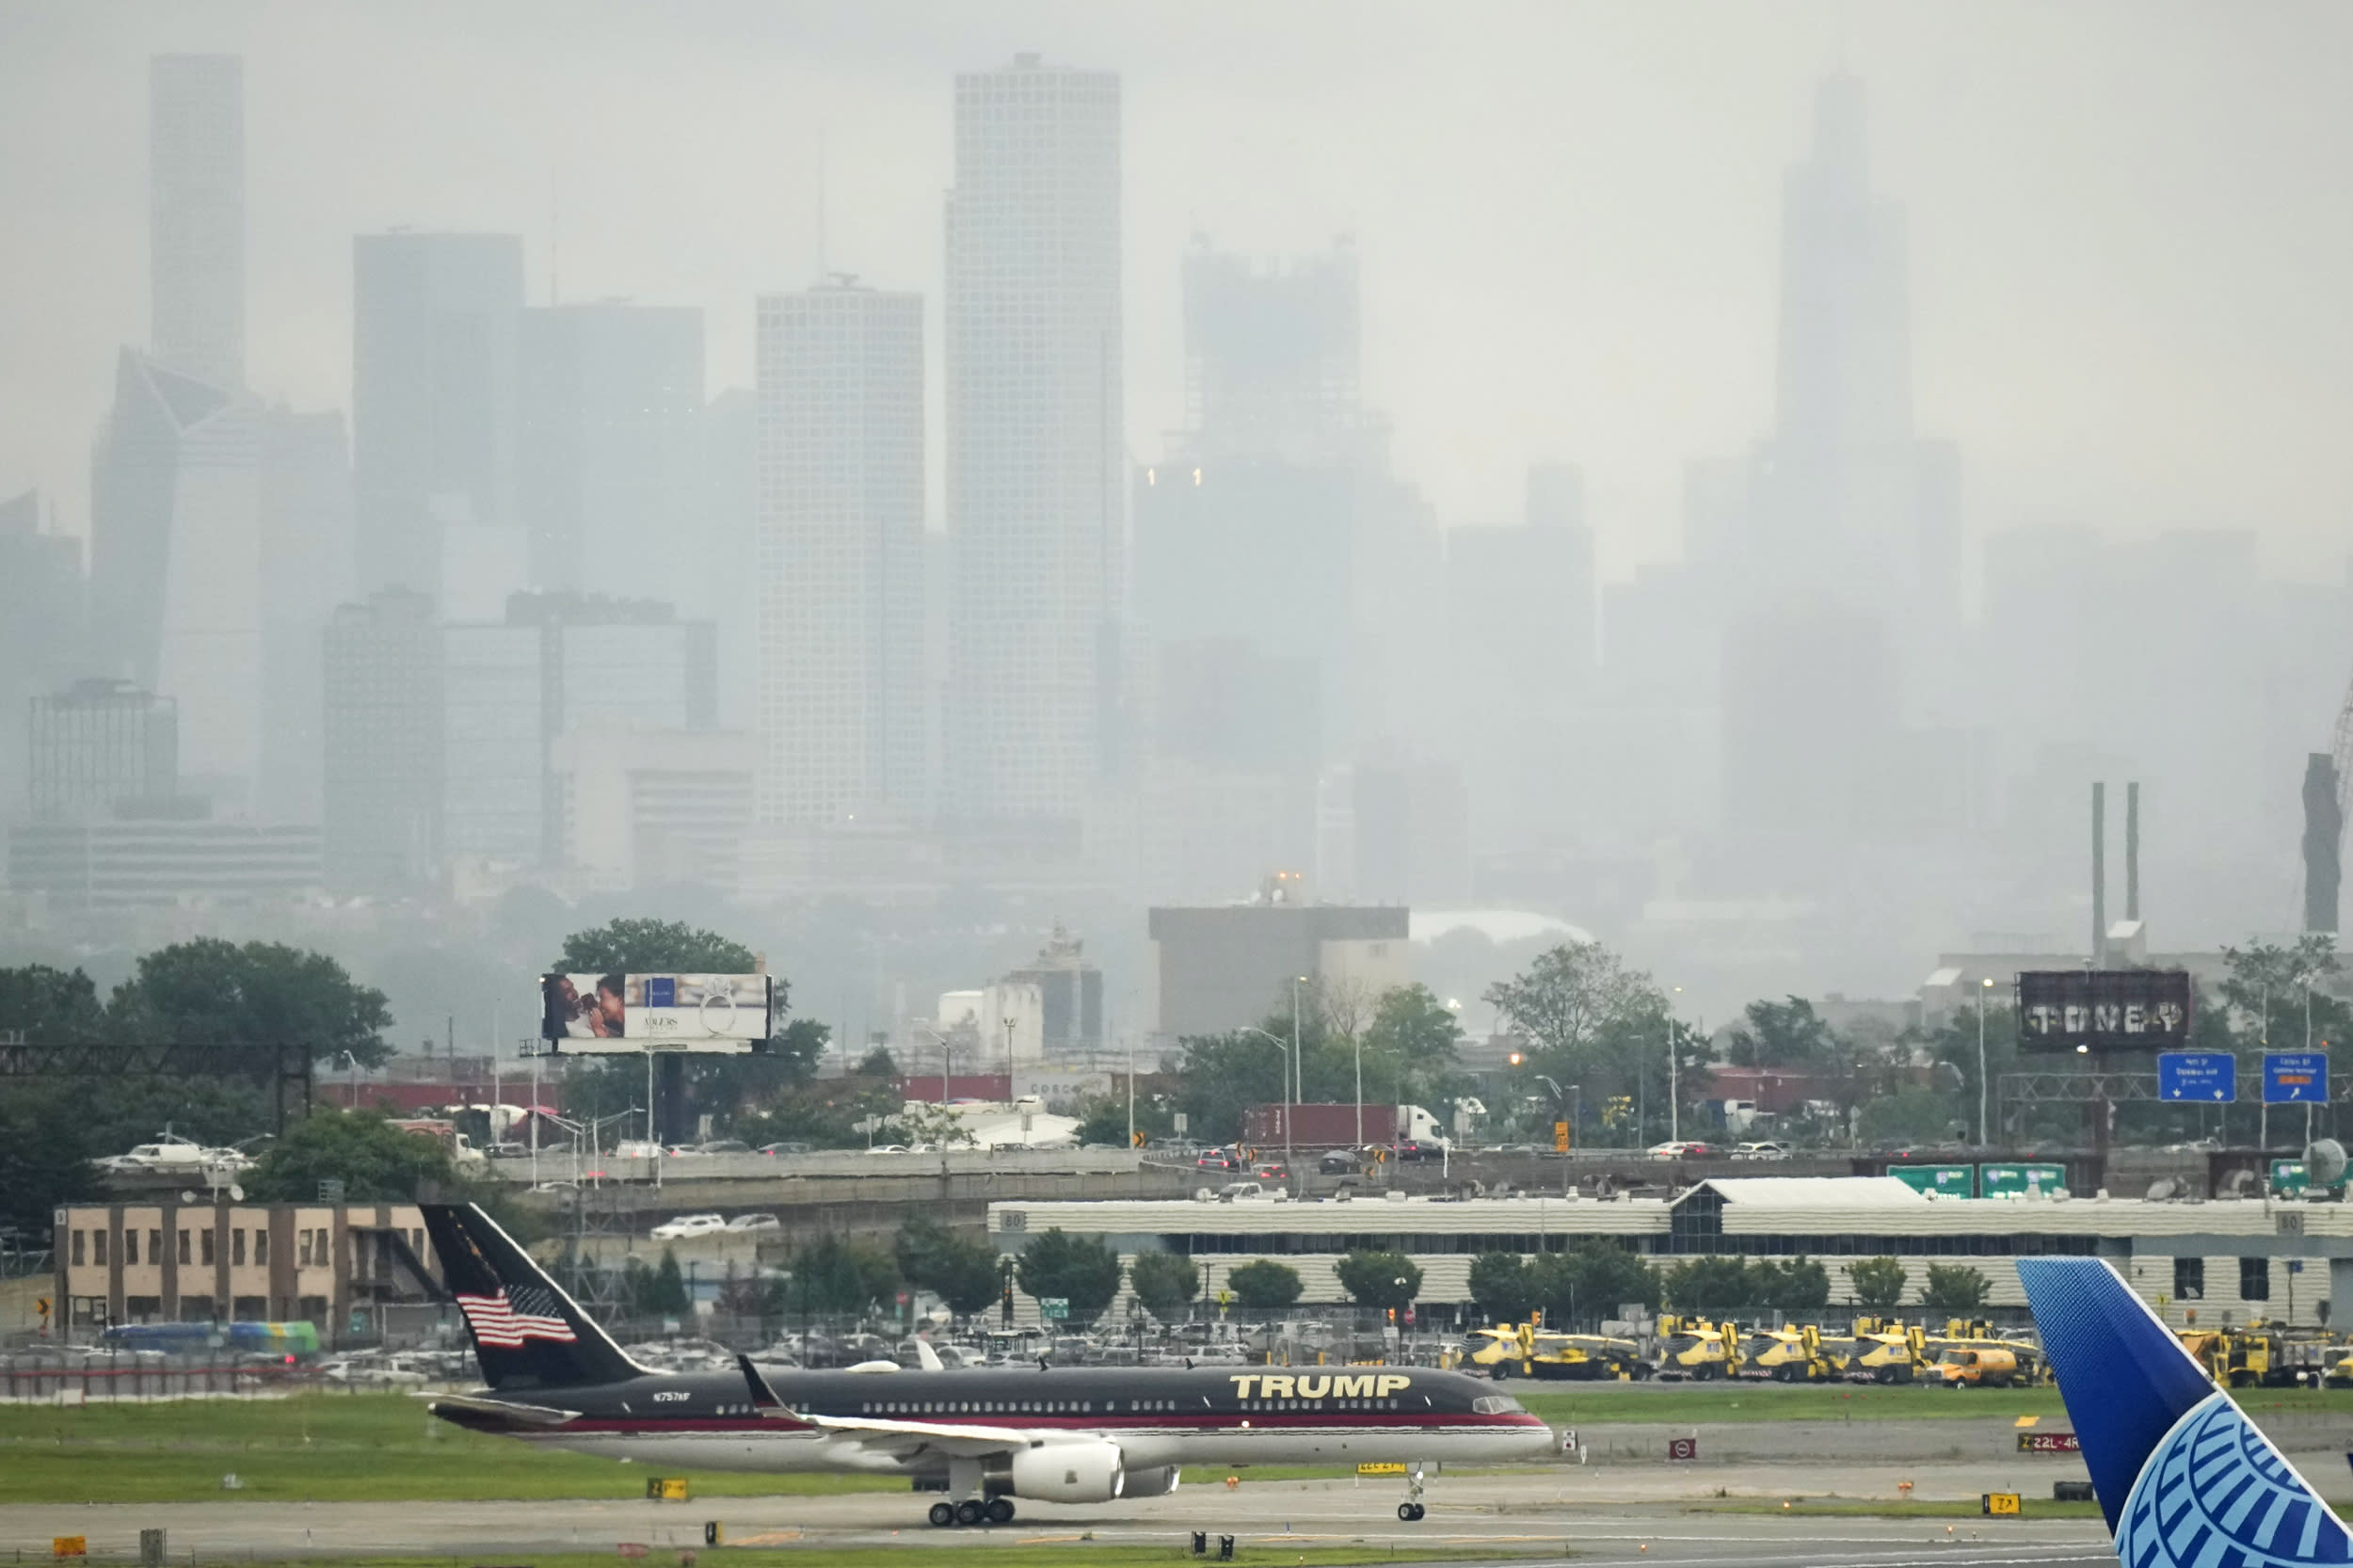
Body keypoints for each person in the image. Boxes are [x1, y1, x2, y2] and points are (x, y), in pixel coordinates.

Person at [592, 974, 629, 1038]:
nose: (599, 1005)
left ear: (620, 1000)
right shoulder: (611, 1027)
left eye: (602, 998)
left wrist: (599, 1032)